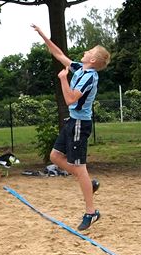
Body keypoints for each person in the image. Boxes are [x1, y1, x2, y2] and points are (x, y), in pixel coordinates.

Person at [32, 23, 110, 231]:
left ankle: (91, 212)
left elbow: (69, 99)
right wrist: (43, 36)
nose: (85, 51)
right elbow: (58, 54)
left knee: (79, 167)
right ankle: (87, 182)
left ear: (92, 60)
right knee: (55, 157)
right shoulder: (79, 67)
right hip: (72, 121)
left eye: (89, 51)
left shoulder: (89, 78)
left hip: (79, 124)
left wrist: (63, 79)